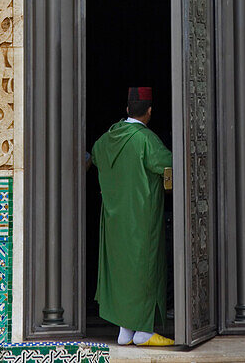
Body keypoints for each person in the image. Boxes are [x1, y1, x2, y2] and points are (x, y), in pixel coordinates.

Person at [91, 87, 174, 347]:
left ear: (127, 109)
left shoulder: (106, 139)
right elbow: (170, 165)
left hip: (114, 221)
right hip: (141, 220)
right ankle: (143, 332)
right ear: (149, 111)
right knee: (143, 272)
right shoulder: (145, 140)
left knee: (122, 273)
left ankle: (125, 330)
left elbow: (93, 157)